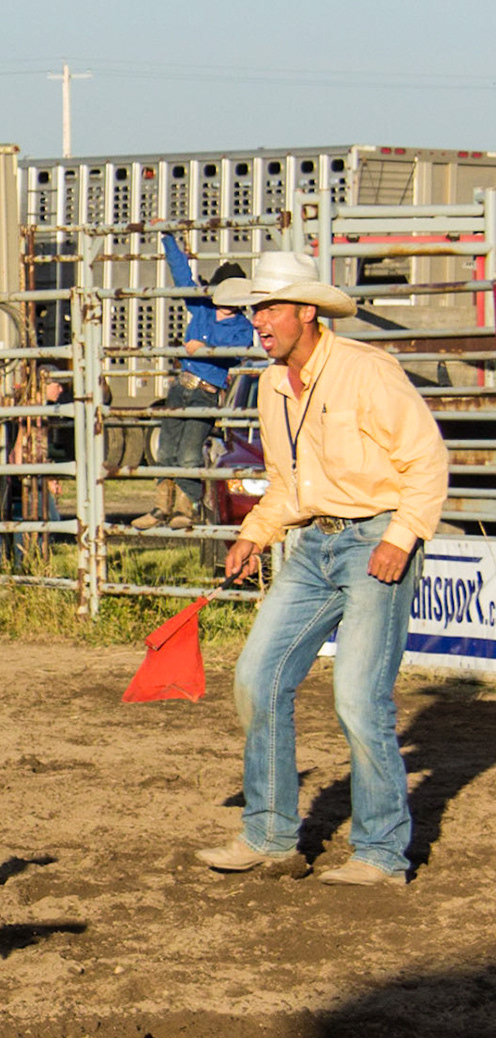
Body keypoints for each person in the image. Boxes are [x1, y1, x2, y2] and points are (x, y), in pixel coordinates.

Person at [194, 252, 450, 888]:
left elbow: (426, 460)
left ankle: (382, 854)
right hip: (313, 545)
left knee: (359, 699)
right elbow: (287, 482)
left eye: (269, 308)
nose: (258, 320)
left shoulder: (368, 371)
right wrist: (254, 534)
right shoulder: (273, 386)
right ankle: (270, 836)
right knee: (256, 679)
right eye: (255, 309)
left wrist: (400, 537)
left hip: (375, 539)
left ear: (307, 312)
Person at [133, 237, 255, 531]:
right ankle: (161, 507)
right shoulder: (202, 307)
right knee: (166, 449)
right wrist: (168, 239)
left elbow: (238, 353)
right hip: (182, 387)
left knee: (189, 452)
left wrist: (205, 348)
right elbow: (182, 278)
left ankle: (185, 508)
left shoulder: (242, 326)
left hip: (206, 393)